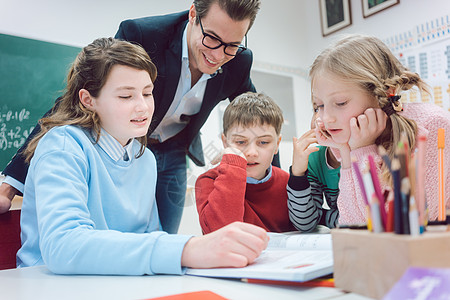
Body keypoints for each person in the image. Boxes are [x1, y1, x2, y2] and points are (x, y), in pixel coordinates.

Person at [0, 0, 278, 234]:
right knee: (109, 232)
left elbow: (260, 118)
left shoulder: (238, 60)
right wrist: (10, 185)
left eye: (231, 45)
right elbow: (74, 97)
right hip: (122, 148)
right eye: (212, 39)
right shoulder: (146, 35)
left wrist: (277, 181)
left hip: (172, 151)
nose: (218, 55)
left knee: (160, 234)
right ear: (193, 14)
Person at [16, 38, 268, 274]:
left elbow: (149, 237)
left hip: (112, 284)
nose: (143, 106)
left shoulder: (144, 158)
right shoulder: (63, 146)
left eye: (147, 93)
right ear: (88, 100)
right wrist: (188, 249)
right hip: (46, 285)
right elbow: (63, 246)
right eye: (126, 96)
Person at [309, 34, 450, 225]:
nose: (326, 118)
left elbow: (404, 225)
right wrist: (348, 150)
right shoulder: (350, 140)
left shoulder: (432, 126)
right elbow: (354, 226)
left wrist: (363, 150)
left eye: (340, 103)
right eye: (319, 106)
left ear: (380, 93)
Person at [195, 92, 296, 234]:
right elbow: (222, 233)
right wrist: (233, 163)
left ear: (277, 145)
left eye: (263, 142)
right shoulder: (208, 181)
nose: (252, 152)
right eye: (241, 142)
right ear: (225, 142)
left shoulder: (287, 181)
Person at [287, 112, 340, 232]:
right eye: (318, 107)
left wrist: (324, 217)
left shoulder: (367, 156)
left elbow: (362, 221)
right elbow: (305, 224)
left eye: (339, 104)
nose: (319, 119)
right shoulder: (314, 158)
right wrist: (298, 174)